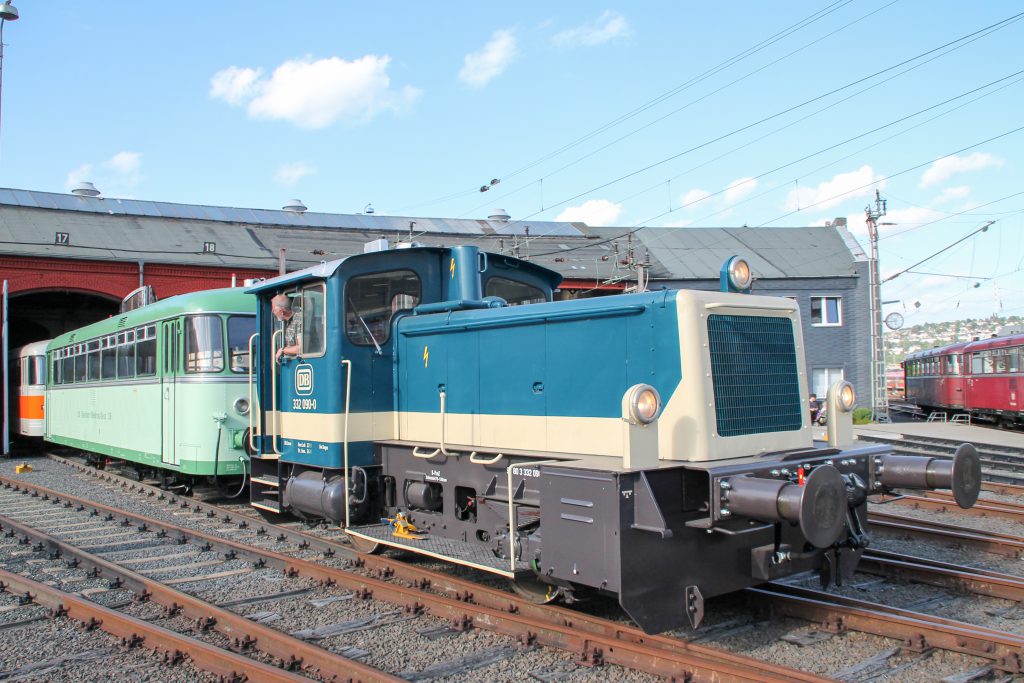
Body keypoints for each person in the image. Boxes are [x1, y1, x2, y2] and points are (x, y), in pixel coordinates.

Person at [272, 293, 302, 360]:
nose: (273, 313)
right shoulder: (288, 321)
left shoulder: (299, 319)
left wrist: (283, 350)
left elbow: (301, 348)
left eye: (274, 310)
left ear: (282, 312)